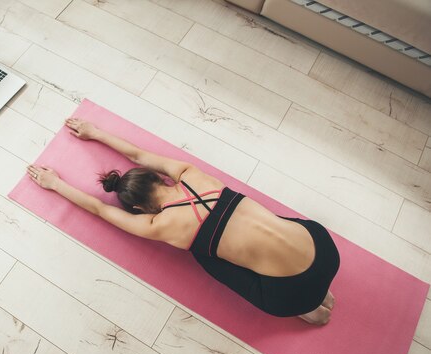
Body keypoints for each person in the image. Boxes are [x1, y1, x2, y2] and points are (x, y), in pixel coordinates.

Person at [26, 118, 340, 325]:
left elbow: (100, 210)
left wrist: (56, 184)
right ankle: (320, 288)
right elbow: (136, 154)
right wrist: (95, 132)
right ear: (159, 178)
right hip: (324, 248)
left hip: (293, 293)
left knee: (205, 256)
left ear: (138, 207)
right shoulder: (189, 173)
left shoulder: (158, 227)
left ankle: (311, 306)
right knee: (265, 220)